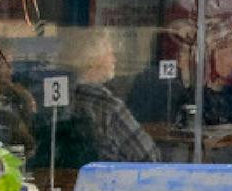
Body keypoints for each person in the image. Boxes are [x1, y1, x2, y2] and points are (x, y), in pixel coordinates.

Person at [55, 28, 160, 170]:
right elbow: (149, 156)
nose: (114, 59)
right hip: (109, 185)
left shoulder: (61, 100)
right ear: (93, 61)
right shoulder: (107, 106)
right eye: (110, 53)